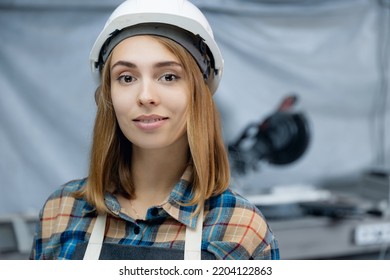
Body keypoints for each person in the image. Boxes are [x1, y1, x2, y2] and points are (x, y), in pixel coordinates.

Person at [30, 0, 280, 260]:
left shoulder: (240, 228)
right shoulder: (61, 212)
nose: (146, 96)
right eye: (127, 78)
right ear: (109, 95)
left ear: (199, 94)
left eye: (169, 76)